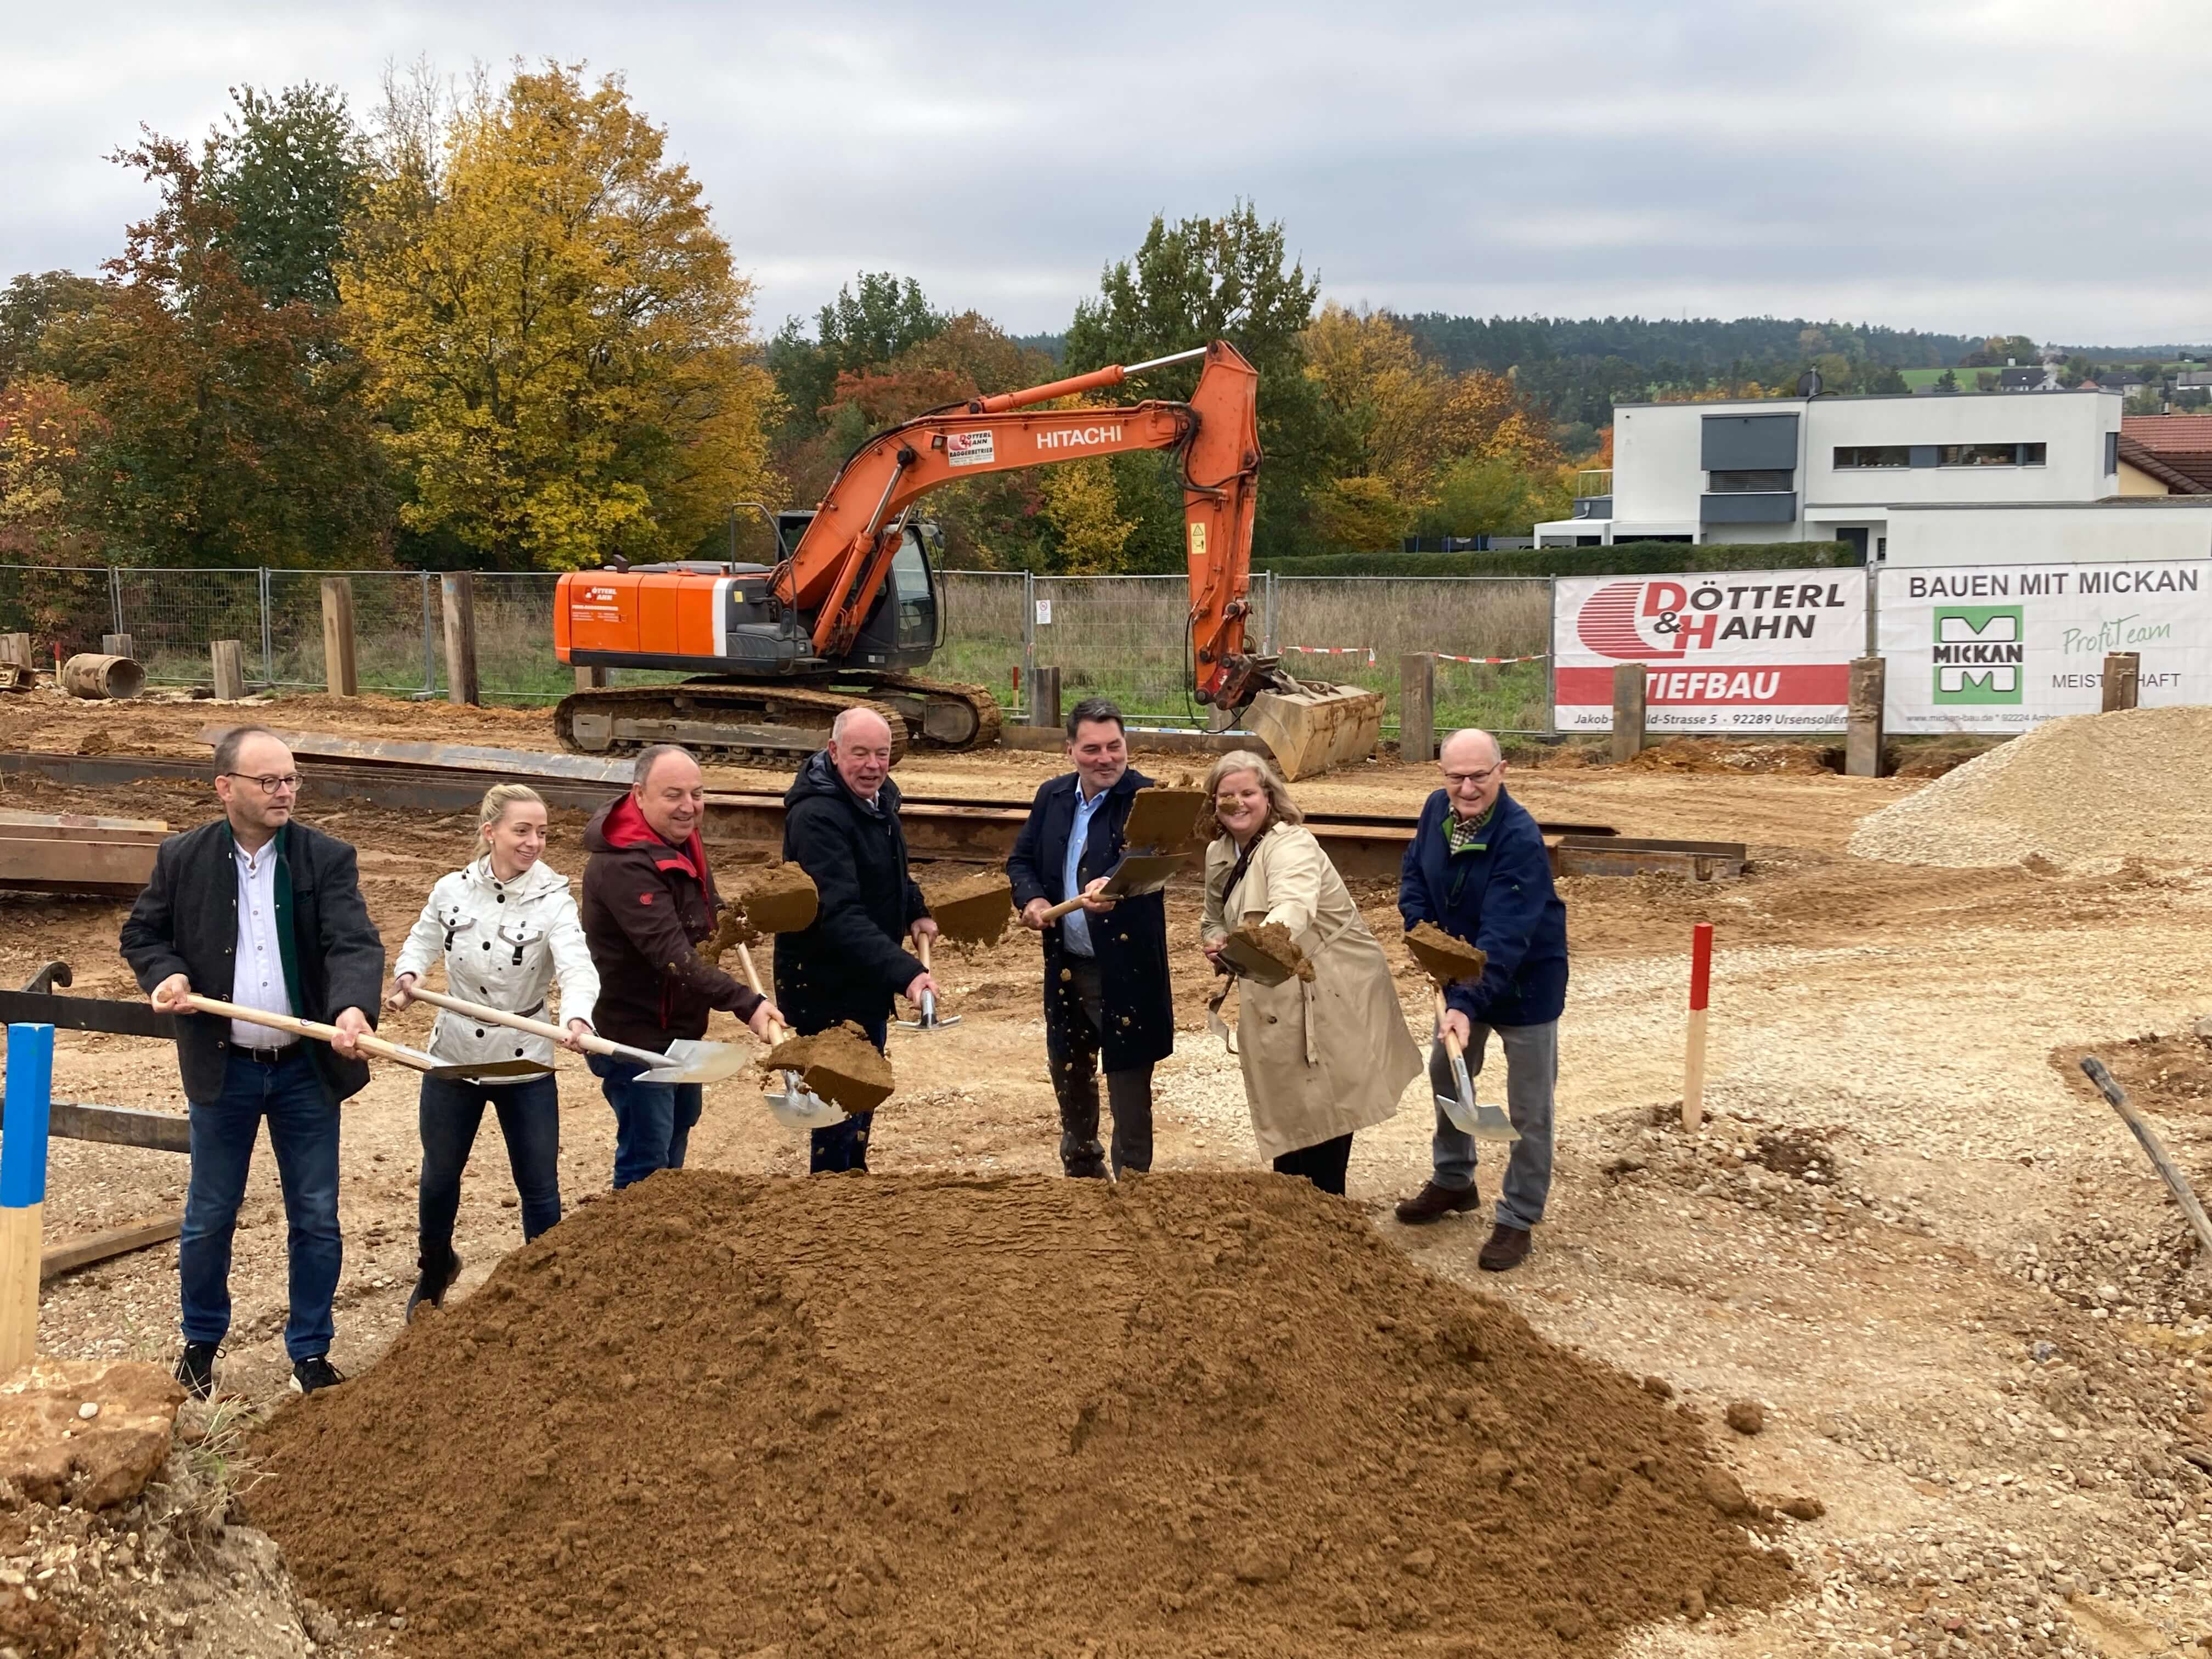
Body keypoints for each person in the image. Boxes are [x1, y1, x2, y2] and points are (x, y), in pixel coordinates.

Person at [119, 725, 384, 1400]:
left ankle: (311, 1353)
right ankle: (201, 1345)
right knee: (210, 1212)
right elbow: (142, 933)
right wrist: (168, 973)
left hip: (304, 1068)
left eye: (291, 779)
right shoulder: (184, 858)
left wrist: (353, 1010)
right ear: (226, 787)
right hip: (223, 1064)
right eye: (269, 781)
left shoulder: (325, 858)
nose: (285, 792)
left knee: (316, 1214)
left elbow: (352, 944)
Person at [386, 784, 600, 1321]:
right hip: (454, 1054)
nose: (535, 843)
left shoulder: (556, 901)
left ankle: (544, 1293)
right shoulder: (450, 890)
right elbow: (421, 940)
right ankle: (435, 1270)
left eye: (543, 833)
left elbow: (577, 967)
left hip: (525, 1056)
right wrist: (408, 974)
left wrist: (576, 1016)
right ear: (491, 833)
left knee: (539, 1186)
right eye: (522, 831)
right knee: (439, 1176)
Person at [1199, 749, 1420, 1194]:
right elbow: (1212, 918)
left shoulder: (1293, 844)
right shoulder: (1220, 853)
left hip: (1326, 990)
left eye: (1248, 793)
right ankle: (1299, 1212)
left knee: (1327, 1109)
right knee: (1290, 1111)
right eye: (1227, 796)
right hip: (1269, 989)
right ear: (1214, 803)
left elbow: (1295, 904)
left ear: (1269, 796)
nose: (1237, 804)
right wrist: (1219, 943)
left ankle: (1327, 1216)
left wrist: (1263, 940)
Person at [1394, 727, 1569, 1272]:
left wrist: (1465, 1005)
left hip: (1524, 983)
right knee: (1449, 1075)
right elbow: (1415, 880)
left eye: (1479, 776)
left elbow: (1504, 937)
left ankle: (1518, 1216)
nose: (1467, 789)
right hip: (1461, 976)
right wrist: (1427, 940)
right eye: (1455, 777)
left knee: (1529, 1107)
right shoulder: (1435, 811)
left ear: (1503, 770)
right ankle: (1454, 1179)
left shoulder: (1518, 838)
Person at [580, 744, 780, 1188]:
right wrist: (747, 1004)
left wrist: (731, 921)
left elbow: (702, 902)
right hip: (637, 1037)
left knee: (677, 1132)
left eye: (697, 793)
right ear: (639, 795)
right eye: (673, 795)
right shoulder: (624, 864)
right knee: (646, 1161)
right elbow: (673, 955)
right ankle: (633, 1247)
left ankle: (665, 1245)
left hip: (681, 1028)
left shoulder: (680, 836)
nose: (688, 807)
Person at [1007, 697, 1171, 1178]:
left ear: (1127, 746)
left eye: (1115, 746)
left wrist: (1119, 882)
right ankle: (1082, 1173)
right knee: (1070, 1068)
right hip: (1065, 963)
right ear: (1070, 751)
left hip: (1125, 969)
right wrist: (1033, 900)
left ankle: (1134, 1185)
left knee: (1128, 1080)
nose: (1106, 759)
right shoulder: (1052, 797)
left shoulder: (1149, 797)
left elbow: (1157, 859)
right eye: (1092, 748)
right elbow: (1021, 861)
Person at [774, 707, 936, 1173]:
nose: (872, 765)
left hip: (865, 977)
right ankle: (830, 1203)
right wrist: (907, 973)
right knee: (835, 1110)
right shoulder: (816, 816)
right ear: (833, 752)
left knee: (862, 1097)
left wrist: (916, 910)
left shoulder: (879, 800)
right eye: (859, 753)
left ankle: (853, 1185)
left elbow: (891, 872)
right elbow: (838, 914)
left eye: (881, 755)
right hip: (824, 986)